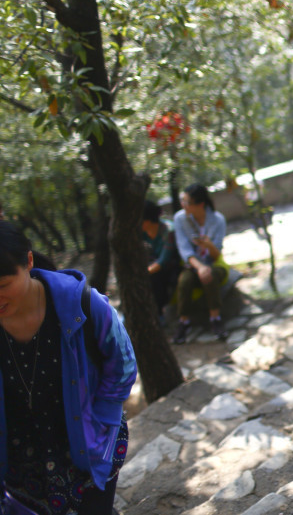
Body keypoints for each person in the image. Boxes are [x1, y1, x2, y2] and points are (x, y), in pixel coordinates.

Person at [0, 221, 137, 514]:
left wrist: (103, 418)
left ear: (29, 261)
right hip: (21, 460)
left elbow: (122, 363)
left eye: (2, 286)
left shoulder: (83, 304)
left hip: (87, 442)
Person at [172, 184, 228, 343]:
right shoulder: (180, 219)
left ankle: (215, 319)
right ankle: (184, 321)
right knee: (185, 281)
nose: (183, 205)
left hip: (214, 262)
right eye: (183, 201)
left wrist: (209, 245)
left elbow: (216, 254)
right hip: (193, 264)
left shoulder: (217, 220)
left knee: (210, 277)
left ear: (200, 204)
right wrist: (200, 267)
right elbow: (184, 250)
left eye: (187, 202)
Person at [142, 200, 180, 322]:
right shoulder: (140, 234)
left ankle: (159, 315)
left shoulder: (168, 230)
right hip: (151, 268)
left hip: (170, 268)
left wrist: (143, 273)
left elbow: (164, 259)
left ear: (147, 221)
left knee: (155, 278)